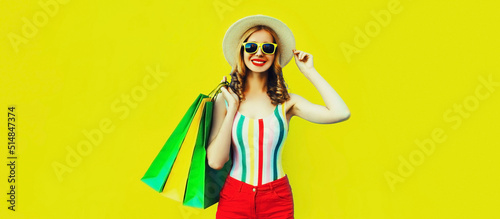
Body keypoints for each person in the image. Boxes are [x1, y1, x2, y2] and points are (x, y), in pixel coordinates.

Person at [206, 14, 350, 219]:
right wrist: (233, 107)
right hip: (234, 198)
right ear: (242, 51)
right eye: (251, 47)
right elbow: (216, 162)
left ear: (275, 55)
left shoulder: (288, 102)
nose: (259, 53)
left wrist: (310, 72)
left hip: (277, 200)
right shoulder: (226, 99)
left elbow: (341, 113)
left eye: (267, 48)